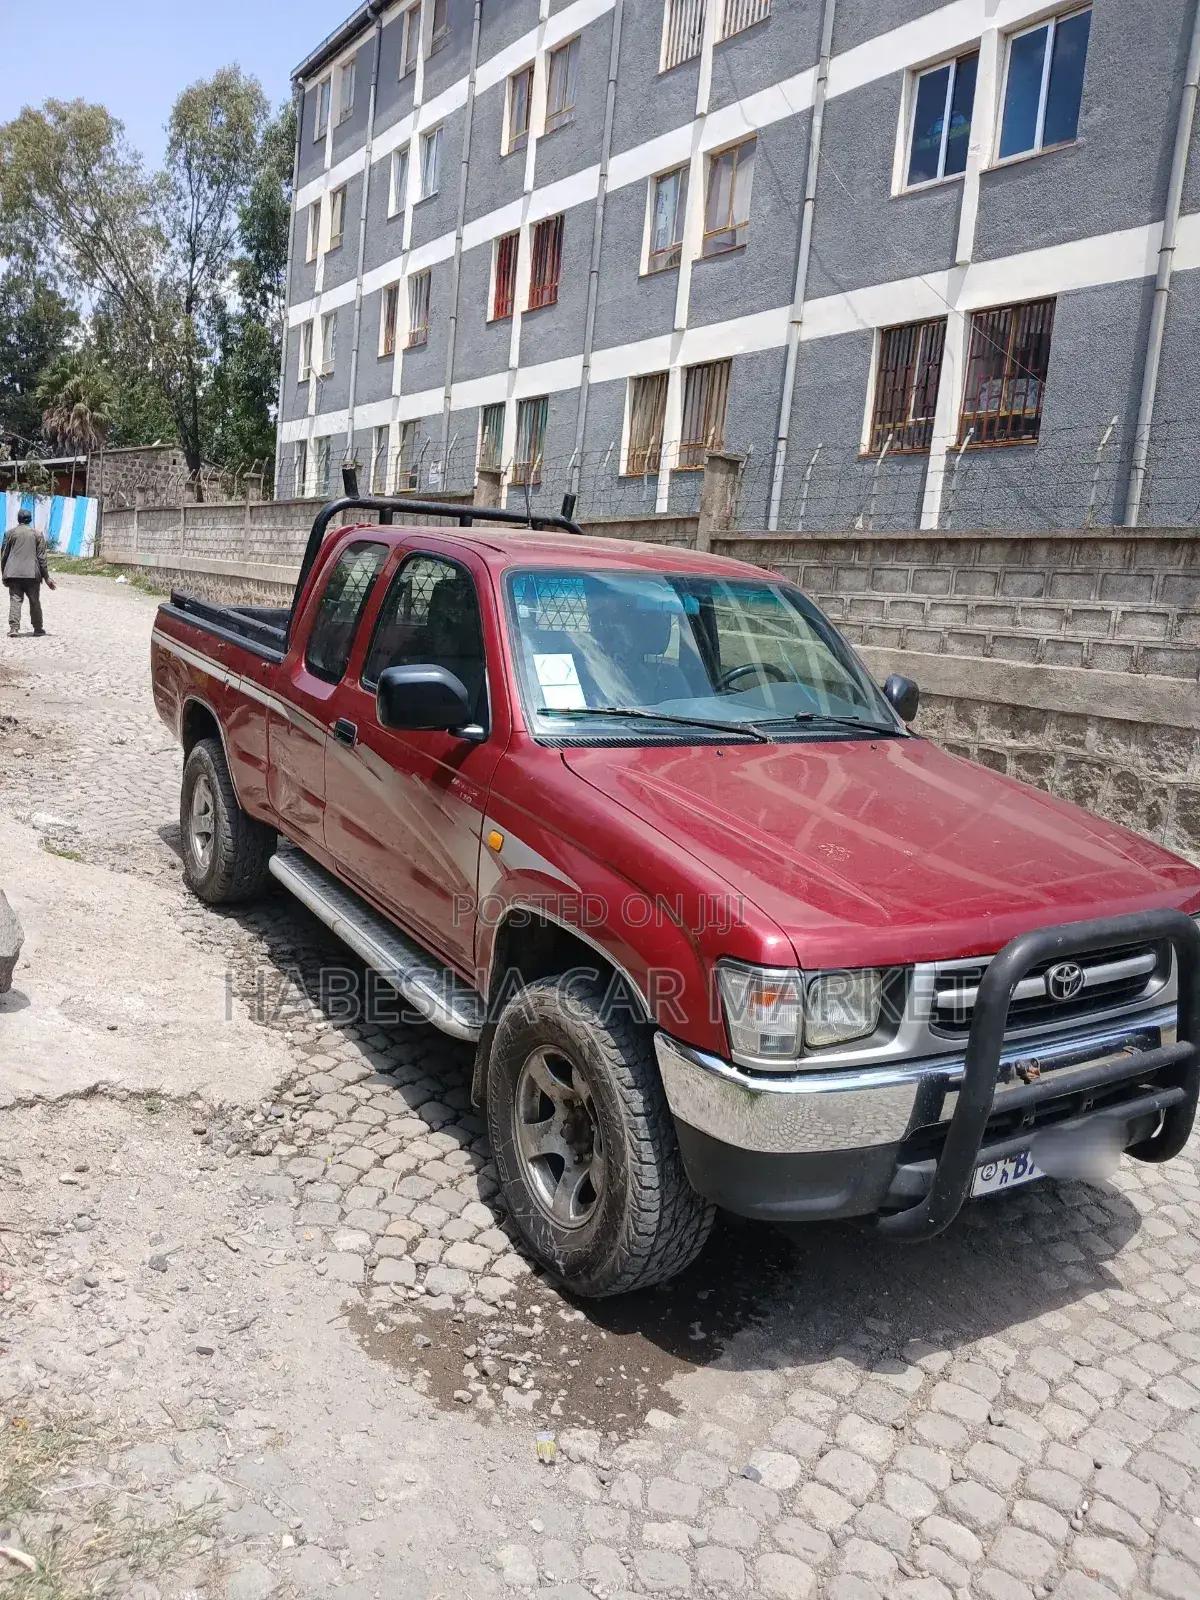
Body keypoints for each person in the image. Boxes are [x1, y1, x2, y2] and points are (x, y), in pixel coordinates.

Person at [1, 509, 56, 637]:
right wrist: (47, 578)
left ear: (18, 519)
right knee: (34, 601)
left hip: (13, 573)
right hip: (32, 574)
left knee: (15, 600)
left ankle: (14, 628)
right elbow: (42, 558)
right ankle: (38, 628)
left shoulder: (9, 534)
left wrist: (4, 574)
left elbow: (4, 555)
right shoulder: (37, 534)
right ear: (30, 520)